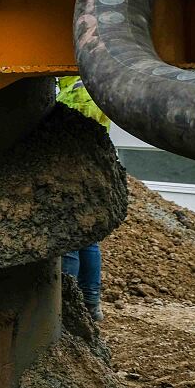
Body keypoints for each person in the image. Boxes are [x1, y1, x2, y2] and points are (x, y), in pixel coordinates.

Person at [57, 75, 109, 322]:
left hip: (71, 172)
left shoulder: (75, 92)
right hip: (94, 171)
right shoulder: (95, 86)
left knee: (68, 240)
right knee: (88, 241)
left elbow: (67, 138)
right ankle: (90, 303)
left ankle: (68, 306)